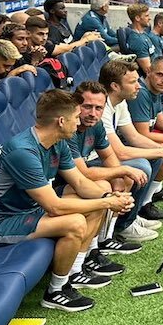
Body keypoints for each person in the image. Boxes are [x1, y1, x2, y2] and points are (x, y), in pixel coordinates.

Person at [0, 90, 135, 313]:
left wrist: (110, 197)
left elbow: (80, 183)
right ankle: (55, 292)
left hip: (27, 209)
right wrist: (107, 204)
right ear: (61, 121)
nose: (79, 121)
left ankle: (76, 271)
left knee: (97, 193)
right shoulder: (23, 152)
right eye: (76, 117)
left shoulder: (58, 141)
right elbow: (54, 207)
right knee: (75, 222)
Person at [62, 80, 153, 259]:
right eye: (87, 107)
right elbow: (83, 174)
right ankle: (86, 256)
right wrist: (121, 173)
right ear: (76, 106)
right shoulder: (68, 129)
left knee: (123, 179)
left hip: (79, 177)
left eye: (99, 108)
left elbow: (109, 156)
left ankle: (104, 240)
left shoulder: (96, 124)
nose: (93, 114)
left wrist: (120, 179)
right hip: (64, 183)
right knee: (105, 186)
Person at [99, 59, 163, 229]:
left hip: (107, 156)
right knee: (142, 165)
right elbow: (121, 152)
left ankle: (133, 216)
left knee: (156, 158)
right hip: (93, 160)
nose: (138, 86)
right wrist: (162, 151)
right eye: (133, 82)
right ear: (115, 86)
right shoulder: (101, 108)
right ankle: (123, 227)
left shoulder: (120, 103)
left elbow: (134, 136)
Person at [122, 3, 158, 73]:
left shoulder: (144, 34)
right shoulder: (137, 40)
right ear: (137, 18)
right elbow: (148, 71)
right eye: (146, 16)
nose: (150, 18)